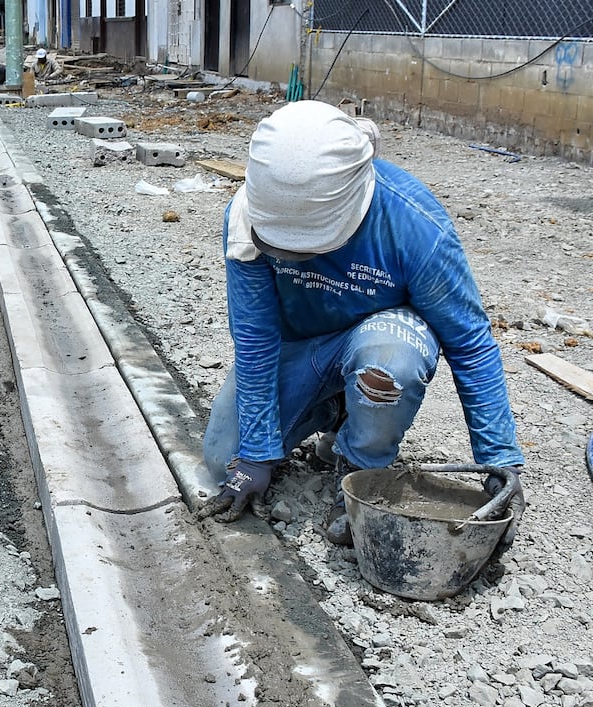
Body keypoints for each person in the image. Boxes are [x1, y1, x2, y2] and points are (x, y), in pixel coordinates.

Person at [197, 101, 525, 548]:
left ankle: (358, 468)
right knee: (222, 461)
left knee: (391, 363)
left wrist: (498, 459)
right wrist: (255, 452)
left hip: (379, 343)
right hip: (301, 350)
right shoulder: (247, 215)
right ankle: (335, 409)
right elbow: (255, 340)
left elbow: (470, 344)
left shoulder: (414, 226)